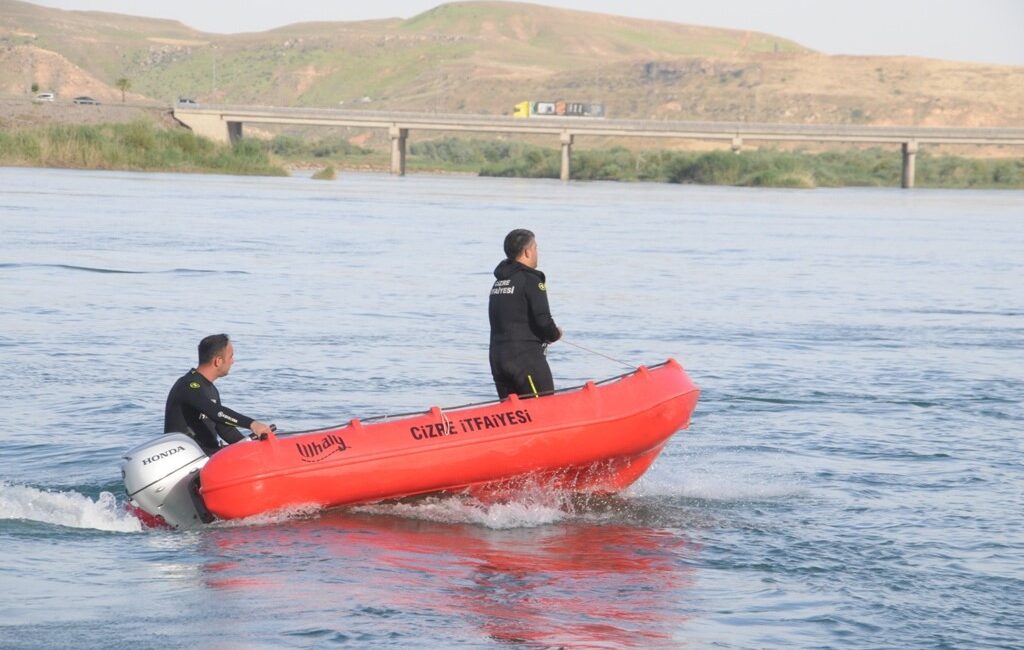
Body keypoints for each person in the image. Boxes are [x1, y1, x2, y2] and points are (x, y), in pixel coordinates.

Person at [164, 334, 273, 455]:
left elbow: (224, 428)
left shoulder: (211, 390)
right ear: (218, 361)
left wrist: (252, 448)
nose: (233, 361)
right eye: (231, 356)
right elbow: (216, 412)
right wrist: (252, 424)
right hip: (189, 460)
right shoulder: (188, 385)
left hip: (210, 456)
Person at [488, 229, 563, 399]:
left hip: (498, 360)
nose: (537, 253)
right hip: (525, 361)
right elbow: (543, 320)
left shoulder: (499, 282)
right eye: (536, 248)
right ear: (527, 252)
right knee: (543, 410)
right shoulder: (531, 280)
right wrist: (555, 334)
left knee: (514, 418)